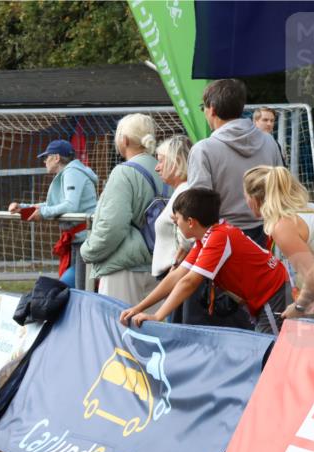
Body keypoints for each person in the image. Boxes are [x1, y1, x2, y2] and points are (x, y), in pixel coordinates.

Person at [119, 188, 291, 335]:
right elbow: (177, 276)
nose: (176, 223)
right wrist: (138, 308)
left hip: (273, 292)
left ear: (191, 222)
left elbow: (189, 282)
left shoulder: (219, 237)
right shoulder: (207, 237)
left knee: (271, 355)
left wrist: (158, 316)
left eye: (177, 219)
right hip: (267, 294)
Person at [243, 166, 314, 329]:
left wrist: (298, 307)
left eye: (244, 195)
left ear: (255, 198)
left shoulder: (283, 226)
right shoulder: (306, 209)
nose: (244, 201)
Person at [80, 113, 163, 307]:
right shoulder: (165, 168)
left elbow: (112, 226)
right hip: (161, 266)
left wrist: (88, 251)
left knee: (117, 331)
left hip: (124, 268)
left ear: (124, 140)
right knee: (154, 333)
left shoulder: (123, 172)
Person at [188, 79, 283, 246]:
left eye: (204, 108)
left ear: (212, 110)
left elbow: (198, 207)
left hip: (221, 239)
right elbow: (280, 188)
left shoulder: (203, 150)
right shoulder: (269, 142)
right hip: (264, 232)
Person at [9, 139, 98, 287]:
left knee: (73, 288)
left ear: (56, 158)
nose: (44, 161)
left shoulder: (72, 172)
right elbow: (53, 205)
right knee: (75, 287)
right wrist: (24, 208)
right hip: (79, 239)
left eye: (46, 157)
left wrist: (43, 213)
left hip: (85, 239)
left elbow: (70, 205)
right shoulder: (69, 172)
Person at [151, 135, 194, 280]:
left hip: (176, 274)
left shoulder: (184, 191)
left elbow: (188, 239)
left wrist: (176, 265)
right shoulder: (182, 190)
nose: (157, 168)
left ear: (176, 162)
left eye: (161, 161)